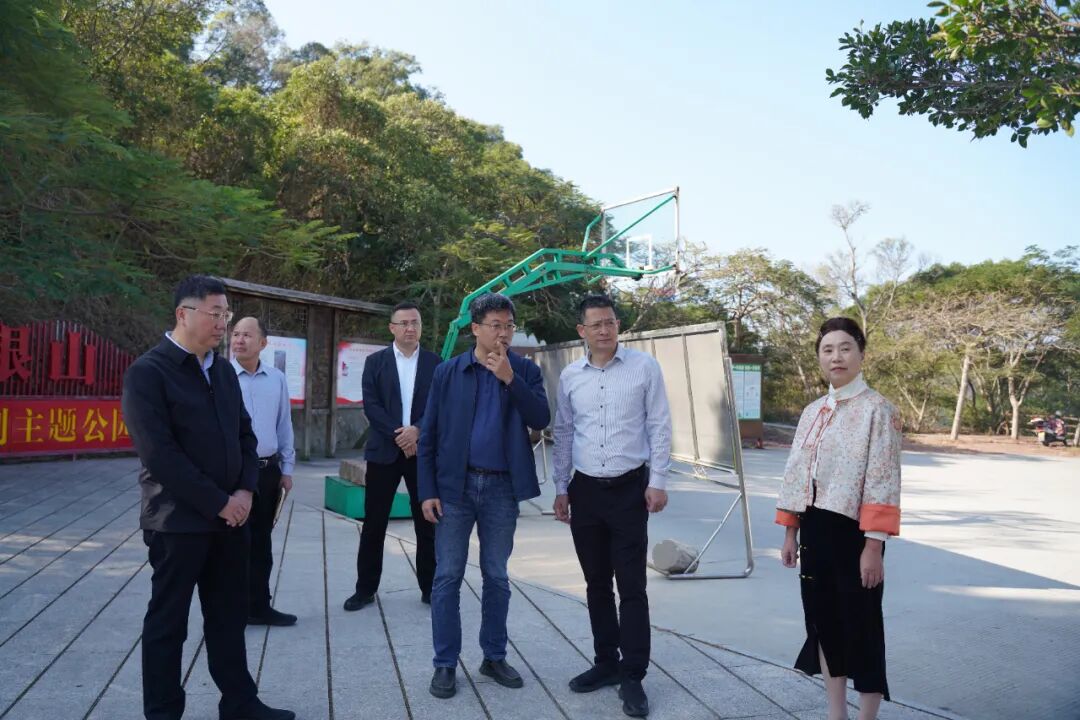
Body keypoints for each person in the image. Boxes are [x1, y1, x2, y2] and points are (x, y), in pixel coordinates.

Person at [122, 276, 293, 720]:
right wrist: (219, 501)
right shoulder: (149, 373)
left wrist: (244, 490)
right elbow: (160, 455)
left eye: (225, 314)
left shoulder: (221, 370)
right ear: (184, 314)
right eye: (215, 314)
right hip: (177, 522)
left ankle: (239, 703)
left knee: (228, 616)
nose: (223, 324)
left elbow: (245, 435)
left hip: (230, 521)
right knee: (168, 623)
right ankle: (163, 712)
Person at [417, 292, 550, 700]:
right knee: (447, 576)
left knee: (496, 575)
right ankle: (444, 663)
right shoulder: (449, 372)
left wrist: (510, 378)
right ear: (475, 328)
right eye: (496, 325)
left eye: (509, 326)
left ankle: (493, 656)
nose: (504, 333)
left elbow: (541, 418)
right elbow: (429, 434)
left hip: (501, 489)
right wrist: (427, 490)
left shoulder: (524, 370)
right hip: (454, 489)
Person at [552, 294, 672, 719]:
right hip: (585, 491)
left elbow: (659, 425)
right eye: (596, 324)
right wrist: (561, 487)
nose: (604, 330)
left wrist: (658, 481)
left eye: (611, 322)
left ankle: (633, 675)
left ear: (618, 325)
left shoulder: (644, 367)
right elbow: (564, 432)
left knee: (632, 586)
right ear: (582, 331)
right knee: (596, 583)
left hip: (629, 491)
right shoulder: (570, 376)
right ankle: (606, 662)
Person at [776, 317, 901, 720]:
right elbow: (796, 473)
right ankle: (836, 714)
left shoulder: (878, 410)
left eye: (845, 348)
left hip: (855, 535)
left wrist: (873, 546)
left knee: (862, 627)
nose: (836, 357)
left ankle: (866, 716)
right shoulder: (813, 411)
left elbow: (882, 479)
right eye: (827, 350)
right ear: (819, 357)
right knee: (824, 624)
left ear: (861, 354)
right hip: (814, 530)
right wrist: (791, 532)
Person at [343, 301, 440, 611]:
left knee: (427, 523)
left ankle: (430, 588)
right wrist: (402, 436)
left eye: (415, 322)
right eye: (404, 323)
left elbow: (439, 406)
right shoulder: (375, 362)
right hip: (384, 452)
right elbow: (371, 406)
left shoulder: (435, 363)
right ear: (392, 328)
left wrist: (418, 431)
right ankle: (365, 589)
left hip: (421, 453)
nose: (410, 328)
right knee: (374, 523)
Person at [230, 316, 297, 627]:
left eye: (247, 335)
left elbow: (284, 423)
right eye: (236, 334)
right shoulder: (221, 376)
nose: (239, 340)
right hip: (233, 472)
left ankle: (259, 606)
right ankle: (231, 610)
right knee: (233, 543)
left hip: (267, 470)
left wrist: (287, 467)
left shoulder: (276, 379)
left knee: (262, 543)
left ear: (263, 343)